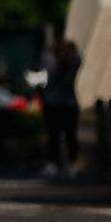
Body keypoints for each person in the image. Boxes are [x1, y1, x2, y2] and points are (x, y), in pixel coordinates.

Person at [41, 38, 81, 177]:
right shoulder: (52, 59)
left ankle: (68, 163)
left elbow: (63, 76)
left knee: (65, 134)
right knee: (55, 135)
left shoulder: (71, 60)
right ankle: (57, 162)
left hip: (62, 102)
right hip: (59, 101)